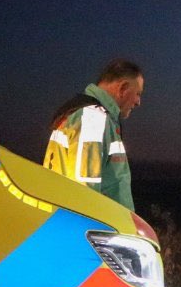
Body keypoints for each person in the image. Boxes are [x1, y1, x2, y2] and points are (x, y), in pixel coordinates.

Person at [44, 59, 143, 211]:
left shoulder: (94, 116)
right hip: (97, 230)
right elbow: (83, 194)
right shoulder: (92, 119)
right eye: (137, 94)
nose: (138, 102)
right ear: (123, 88)